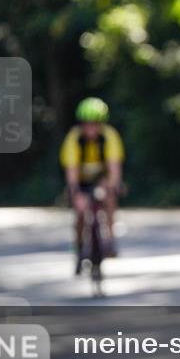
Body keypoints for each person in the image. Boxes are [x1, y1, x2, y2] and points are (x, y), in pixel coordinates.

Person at [59, 98, 124, 273]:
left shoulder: (109, 137)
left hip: (101, 178)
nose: (91, 129)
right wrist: (75, 192)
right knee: (80, 211)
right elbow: (71, 173)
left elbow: (114, 169)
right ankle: (80, 247)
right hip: (81, 180)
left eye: (95, 124)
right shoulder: (74, 139)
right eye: (87, 125)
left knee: (109, 198)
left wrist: (112, 185)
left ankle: (110, 239)